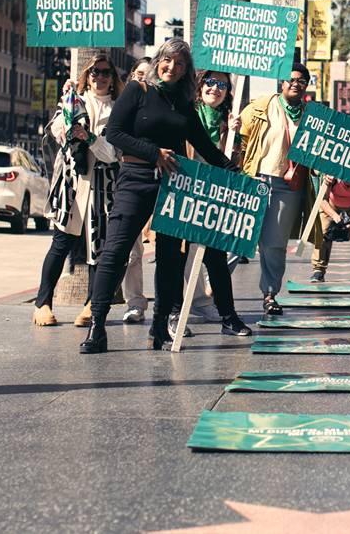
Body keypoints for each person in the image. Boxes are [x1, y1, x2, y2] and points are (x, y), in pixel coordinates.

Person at [78, 41, 235, 354]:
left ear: (186, 71)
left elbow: (205, 147)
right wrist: (154, 153)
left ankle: (160, 326)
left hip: (171, 185)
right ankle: (97, 326)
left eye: (179, 64)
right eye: (167, 61)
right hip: (135, 179)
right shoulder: (139, 90)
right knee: (116, 250)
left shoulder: (182, 102)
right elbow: (115, 133)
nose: (171, 68)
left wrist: (239, 174)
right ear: (158, 62)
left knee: (169, 258)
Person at [32, 54, 122, 327]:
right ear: (87, 75)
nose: (100, 77)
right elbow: (57, 131)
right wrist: (69, 114)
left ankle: (91, 305)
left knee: (100, 249)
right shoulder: (73, 101)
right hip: (72, 186)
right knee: (60, 245)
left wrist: (90, 138)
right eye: (94, 72)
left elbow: (113, 153)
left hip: (103, 188)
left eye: (105, 72)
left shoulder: (119, 108)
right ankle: (42, 304)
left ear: (112, 76)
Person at [234, 63, 322, 316]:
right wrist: (234, 133)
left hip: (287, 186)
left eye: (301, 81)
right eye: (291, 79)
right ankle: (212, 291)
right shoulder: (262, 105)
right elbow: (241, 137)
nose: (296, 83)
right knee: (236, 239)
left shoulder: (311, 116)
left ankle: (270, 294)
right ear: (281, 82)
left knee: (274, 244)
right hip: (255, 180)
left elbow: (317, 155)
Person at [182, 69, 251, 335]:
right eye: (210, 82)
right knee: (179, 257)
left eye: (222, 84)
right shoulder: (187, 114)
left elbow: (233, 165)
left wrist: (233, 139)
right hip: (184, 192)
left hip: (213, 198)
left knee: (216, 258)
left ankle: (227, 316)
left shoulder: (228, 123)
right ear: (199, 86)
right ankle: (176, 315)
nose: (215, 88)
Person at [120, 57, 152, 324]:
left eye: (148, 75)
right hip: (110, 183)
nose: (143, 78)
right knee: (114, 250)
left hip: (146, 180)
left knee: (134, 253)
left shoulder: (156, 105)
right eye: (139, 73)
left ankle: (136, 302)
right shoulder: (121, 101)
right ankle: (95, 309)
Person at [310, 176, 350, 284]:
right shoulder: (331, 175)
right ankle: (318, 269)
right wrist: (335, 216)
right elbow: (321, 200)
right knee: (322, 230)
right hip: (331, 203)